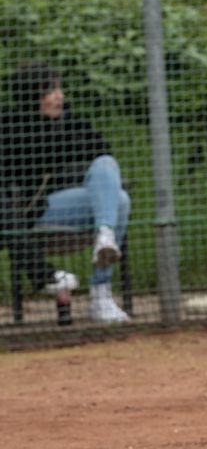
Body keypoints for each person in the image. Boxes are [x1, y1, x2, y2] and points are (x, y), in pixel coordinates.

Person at [0, 62, 131, 323]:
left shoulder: (69, 122)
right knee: (117, 199)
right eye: (52, 91)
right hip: (32, 213)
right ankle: (104, 235)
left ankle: (101, 290)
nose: (59, 96)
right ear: (33, 94)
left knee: (119, 196)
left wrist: (63, 131)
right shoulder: (10, 126)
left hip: (69, 204)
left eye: (59, 89)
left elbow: (101, 150)